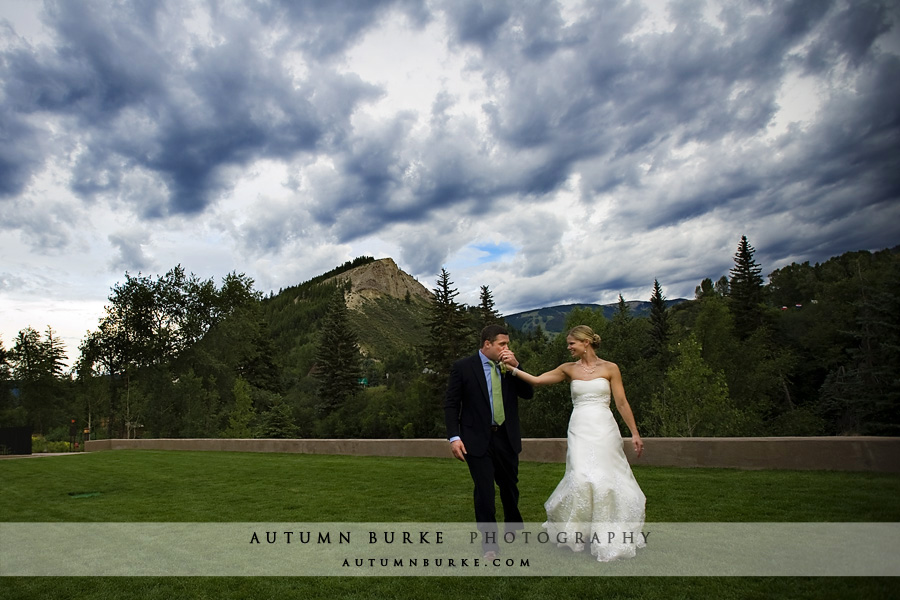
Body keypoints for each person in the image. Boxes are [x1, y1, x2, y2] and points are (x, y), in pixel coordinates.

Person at [503, 325, 646, 562]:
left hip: (604, 428)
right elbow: (537, 381)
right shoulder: (567, 369)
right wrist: (513, 368)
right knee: (580, 476)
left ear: (585, 342)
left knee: (607, 478)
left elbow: (621, 402)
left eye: (571, 343)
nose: (568, 347)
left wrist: (635, 433)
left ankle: (606, 533)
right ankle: (577, 532)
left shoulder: (610, 368)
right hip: (580, 427)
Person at [444, 324, 535, 558]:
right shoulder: (463, 368)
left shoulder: (509, 366)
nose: (507, 348)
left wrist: (516, 367)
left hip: (507, 437)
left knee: (509, 487)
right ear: (487, 344)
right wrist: (454, 437)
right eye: (502, 344)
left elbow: (528, 393)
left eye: (507, 344)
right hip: (477, 440)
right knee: (484, 492)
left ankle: (513, 525)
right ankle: (490, 545)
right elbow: (452, 404)